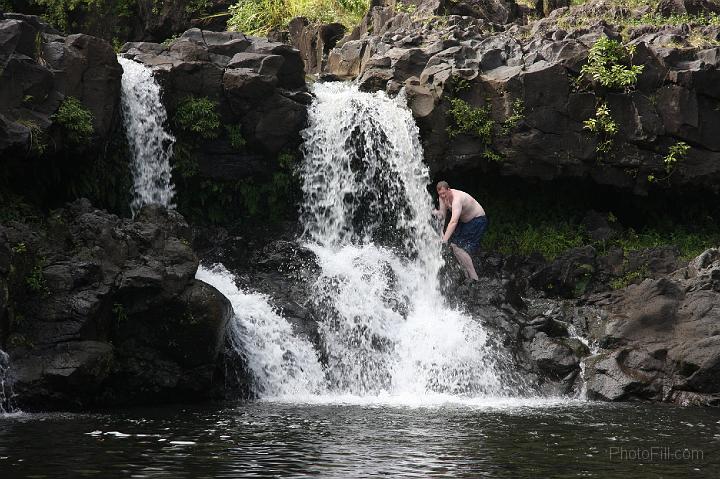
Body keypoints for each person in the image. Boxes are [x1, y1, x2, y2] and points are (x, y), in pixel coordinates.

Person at [432, 181, 488, 282]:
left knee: (459, 248)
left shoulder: (457, 199)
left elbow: (453, 222)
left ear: (449, 190)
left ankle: (475, 279)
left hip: (478, 220)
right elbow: (442, 216)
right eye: (440, 194)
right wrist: (434, 212)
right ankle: (467, 275)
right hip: (465, 222)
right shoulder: (442, 198)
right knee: (455, 247)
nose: (443, 196)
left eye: (445, 193)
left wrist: (444, 241)